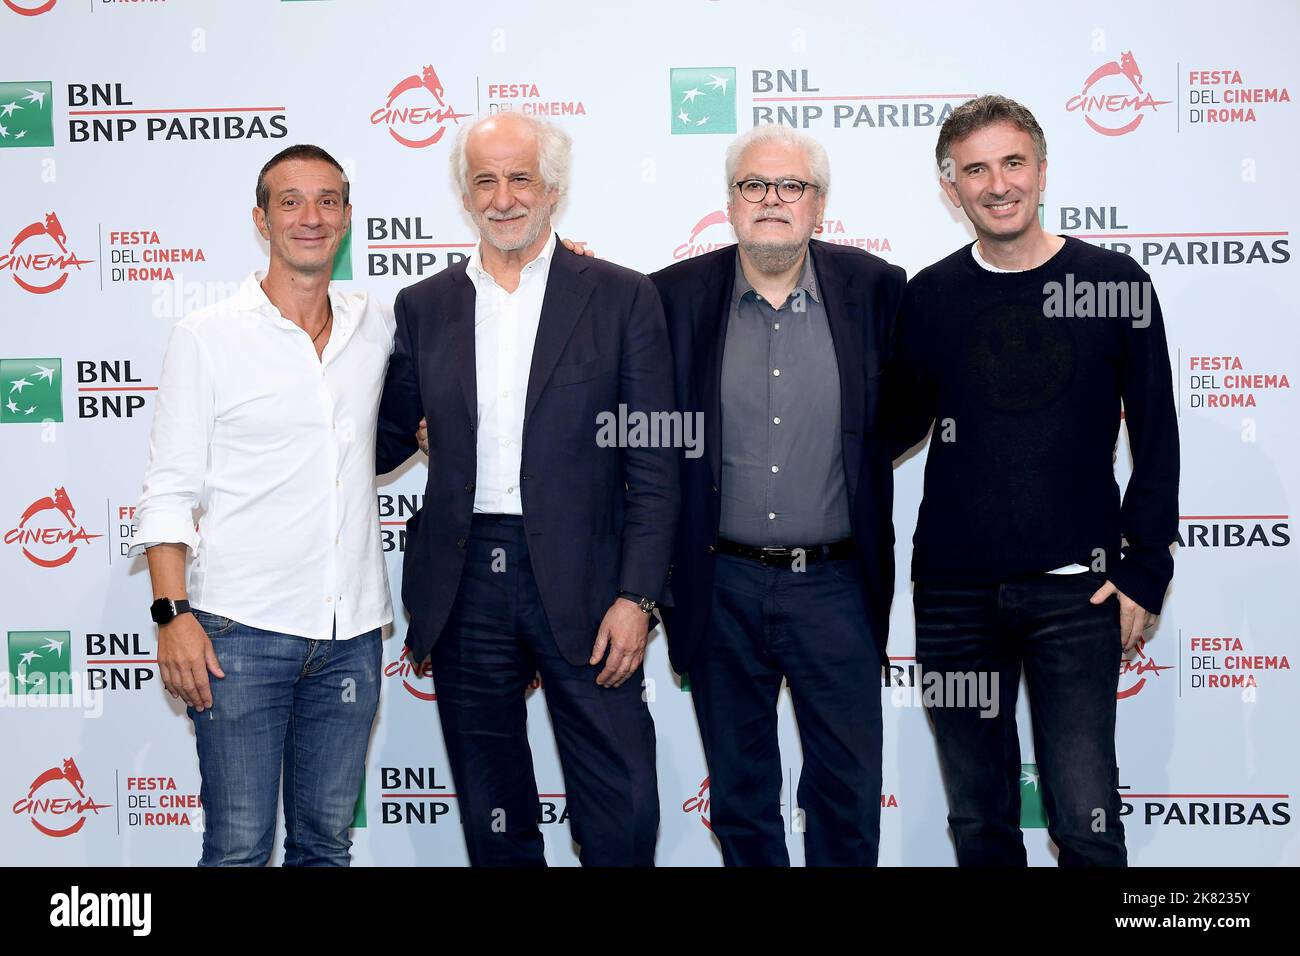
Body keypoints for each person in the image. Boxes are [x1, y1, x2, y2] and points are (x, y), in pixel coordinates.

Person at [376, 112, 678, 866]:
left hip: (589, 576)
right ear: (465, 193)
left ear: (553, 190)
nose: (503, 197)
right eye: (485, 180)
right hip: (466, 573)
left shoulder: (620, 295)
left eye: (520, 179)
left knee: (622, 813)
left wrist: (638, 596)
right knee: (493, 814)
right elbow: (383, 437)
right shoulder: (424, 305)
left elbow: (657, 464)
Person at [891, 94, 1179, 866]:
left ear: (1043, 171)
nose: (996, 184)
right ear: (950, 188)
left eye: (1012, 163)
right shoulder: (929, 295)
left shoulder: (1113, 283)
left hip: (1077, 595)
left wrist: (1144, 570)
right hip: (954, 602)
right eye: (974, 170)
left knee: (1086, 826)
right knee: (979, 822)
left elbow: (1156, 438)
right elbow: (891, 427)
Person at [649, 124, 906, 865]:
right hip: (717, 582)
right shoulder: (670, 298)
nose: (771, 200)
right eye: (753, 185)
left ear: (818, 203)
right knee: (741, 795)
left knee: (848, 795)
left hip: (836, 585)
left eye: (790, 186)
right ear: (729, 201)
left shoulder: (876, 290)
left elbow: (906, 410)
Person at [131, 144, 392, 866]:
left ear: (345, 217)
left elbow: (471, 330)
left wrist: (544, 271)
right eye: (291, 202)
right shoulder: (207, 338)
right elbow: (168, 491)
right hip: (237, 634)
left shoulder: (378, 326)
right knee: (240, 848)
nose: (311, 218)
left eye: (328, 201)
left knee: (325, 847)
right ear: (262, 219)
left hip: (352, 634)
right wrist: (172, 616)